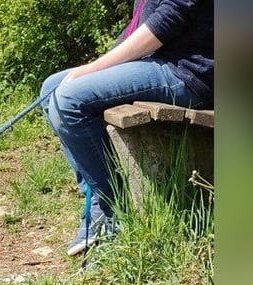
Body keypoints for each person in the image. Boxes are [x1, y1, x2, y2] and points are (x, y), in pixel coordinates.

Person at [41, 0, 214, 256]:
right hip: (159, 61)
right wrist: (95, 67)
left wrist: (95, 68)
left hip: (190, 70)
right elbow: (139, 24)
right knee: (51, 89)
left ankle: (113, 215)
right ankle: (101, 202)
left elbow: (170, 16)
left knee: (68, 99)